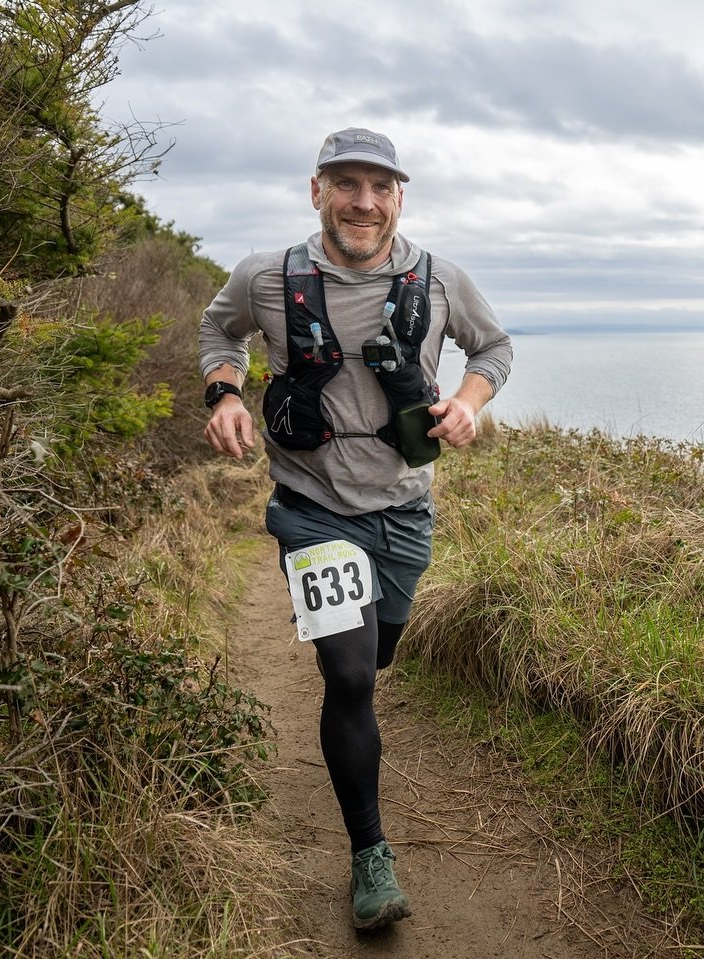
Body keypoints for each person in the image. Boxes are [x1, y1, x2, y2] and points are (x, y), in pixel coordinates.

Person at [198, 127, 512, 931]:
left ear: (400, 197)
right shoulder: (266, 277)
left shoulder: (439, 280)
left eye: (380, 186)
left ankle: (356, 718)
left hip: (405, 509)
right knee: (350, 676)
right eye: (347, 184)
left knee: (378, 653)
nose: (363, 202)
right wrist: (225, 393)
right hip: (310, 505)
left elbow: (494, 348)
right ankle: (370, 857)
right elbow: (219, 329)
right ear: (317, 191)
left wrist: (468, 404)